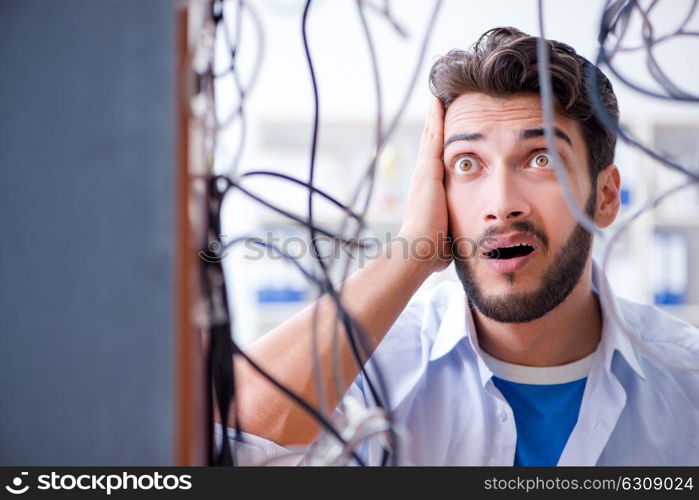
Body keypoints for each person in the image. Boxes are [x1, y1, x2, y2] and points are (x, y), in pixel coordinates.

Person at [221, 27, 699, 466]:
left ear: (606, 197)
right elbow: (223, 437)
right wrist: (411, 252)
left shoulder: (685, 375)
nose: (501, 205)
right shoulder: (373, 366)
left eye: (540, 158)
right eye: (467, 164)